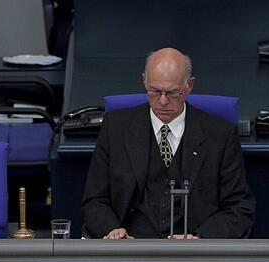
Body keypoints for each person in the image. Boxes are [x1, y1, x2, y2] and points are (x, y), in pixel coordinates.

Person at [81, 48, 255, 239]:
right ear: (144, 81)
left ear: (189, 85)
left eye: (172, 93)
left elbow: (239, 206)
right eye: (155, 91)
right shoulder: (115, 129)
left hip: (194, 253)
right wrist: (112, 231)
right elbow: (95, 199)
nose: (163, 101)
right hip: (130, 247)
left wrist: (200, 239)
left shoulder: (220, 135)